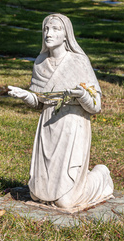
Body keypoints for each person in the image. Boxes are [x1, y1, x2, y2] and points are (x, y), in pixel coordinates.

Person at [8, 13, 114, 210]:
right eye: (46, 29)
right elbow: (41, 103)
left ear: (66, 35)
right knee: (36, 194)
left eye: (56, 29)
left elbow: (96, 105)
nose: (49, 33)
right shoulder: (40, 63)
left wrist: (82, 95)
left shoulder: (78, 62)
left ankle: (101, 175)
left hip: (73, 125)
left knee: (65, 202)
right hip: (47, 128)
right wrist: (25, 96)